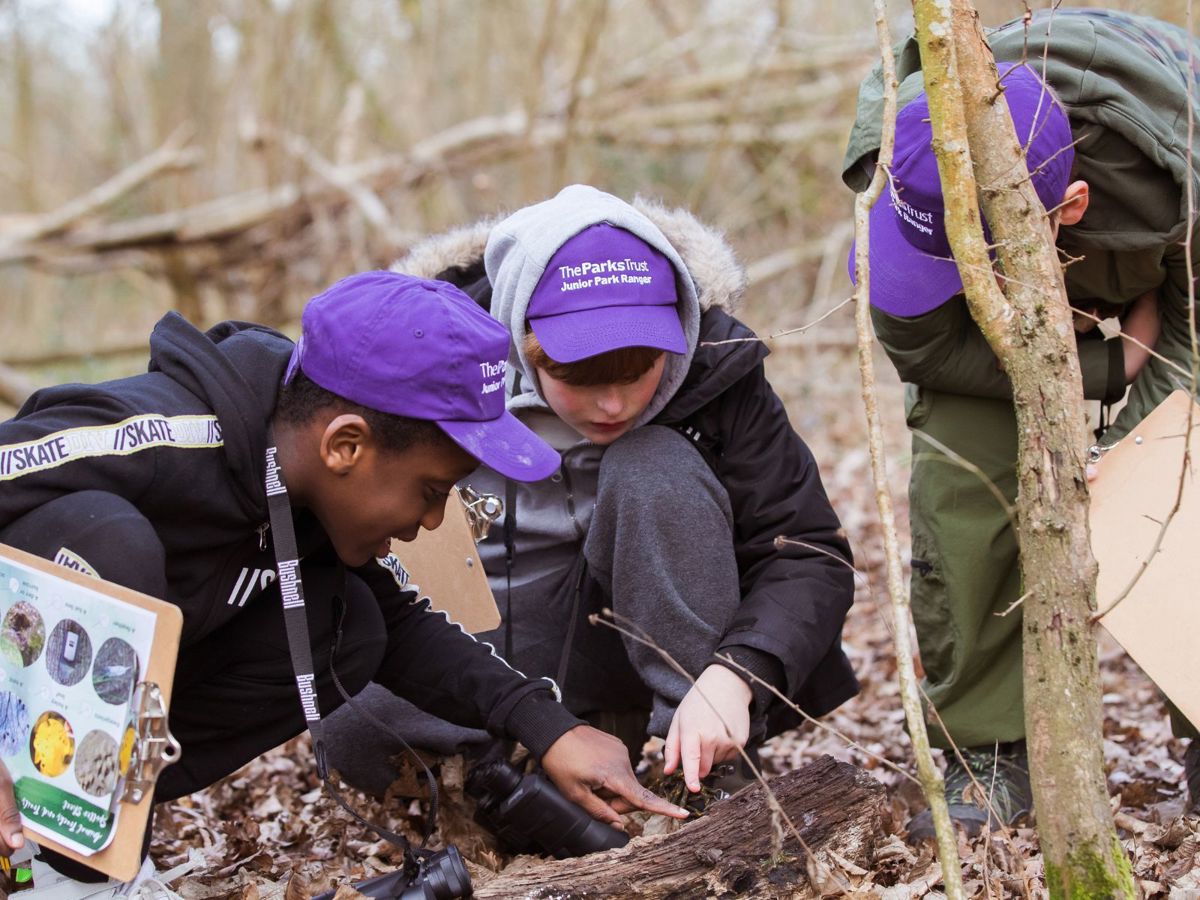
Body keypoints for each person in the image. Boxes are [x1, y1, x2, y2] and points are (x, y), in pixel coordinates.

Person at [0, 271, 686, 894]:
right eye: (430, 489)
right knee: (107, 540)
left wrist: (548, 727)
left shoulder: (305, 490)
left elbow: (403, 629)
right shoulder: (148, 442)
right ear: (345, 446)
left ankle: (74, 850)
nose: (431, 520)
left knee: (351, 624)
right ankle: (73, 875)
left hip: (59, 760)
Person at [325, 184, 858, 802]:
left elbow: (806, 550)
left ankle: (703, 770)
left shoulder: (717, 373)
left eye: (637, 374)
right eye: (577, 377)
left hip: (640, 675)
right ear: (521, 336)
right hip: (481, 670)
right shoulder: (429, 366)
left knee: (651, 463)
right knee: (349, 716)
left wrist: (737, 675)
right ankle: (510, 791)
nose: (613, 404)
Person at [842, 9, 1200, 837]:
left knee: (1178, 480)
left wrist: (1125, 447)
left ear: (1069, 205)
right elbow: (920, 344)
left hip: (1149, 274)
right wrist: (1099, 368)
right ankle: (988, 747)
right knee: (963, 473)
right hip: (1000, 326)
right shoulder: (901, 148)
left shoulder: (1177, 175)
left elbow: (1188, 342)